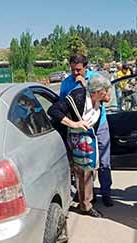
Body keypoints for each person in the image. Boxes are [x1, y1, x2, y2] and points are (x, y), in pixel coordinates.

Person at [48, 74, 112, 217]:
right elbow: (53, 110)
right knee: (81, 171)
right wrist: (74, 124)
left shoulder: (98, 101)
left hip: (87, 141)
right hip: (74, 138)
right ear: (96, 92)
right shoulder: (78, 97)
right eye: (105, 91)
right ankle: (85, 205)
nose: (107, 95)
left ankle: (85, 201)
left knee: (87, 170)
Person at [60, 54, 114, 207]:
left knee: (104, 161)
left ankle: (106, 192)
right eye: (73, 70)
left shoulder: (96, 78)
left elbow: (107, 99)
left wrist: (85, 86)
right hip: (81, 129)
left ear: (85, 67)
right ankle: (89, 196)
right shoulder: (66, 83)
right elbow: (62, 106)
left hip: (99, 125)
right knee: (85, 164)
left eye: (78, 70)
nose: (75, 73)